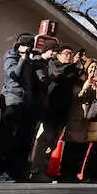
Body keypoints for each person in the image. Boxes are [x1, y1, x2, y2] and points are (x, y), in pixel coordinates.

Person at [0, 33, 44, 183]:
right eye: (25, 44)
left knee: (22, 139)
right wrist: (24, 59)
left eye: (30, 45)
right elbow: (14, 74)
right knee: (6, 137)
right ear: (18, 45)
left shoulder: (31, 60)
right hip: (12, 101)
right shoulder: (10, 56)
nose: (28, 48)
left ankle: (15, 172)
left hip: (26, 103)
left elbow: (38, 81)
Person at [29, 44, 81, 181]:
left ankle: (43, 168)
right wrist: (72, 66)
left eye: (71, 53)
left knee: (53, 142)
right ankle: (36, 169)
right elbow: (58, 76)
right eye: (66, 53)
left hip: (64, 110)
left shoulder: (72, 69)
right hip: (51, 108)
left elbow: (79, 78)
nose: (69, 56)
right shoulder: (53, 64)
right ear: (58, 54)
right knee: (45, 139)